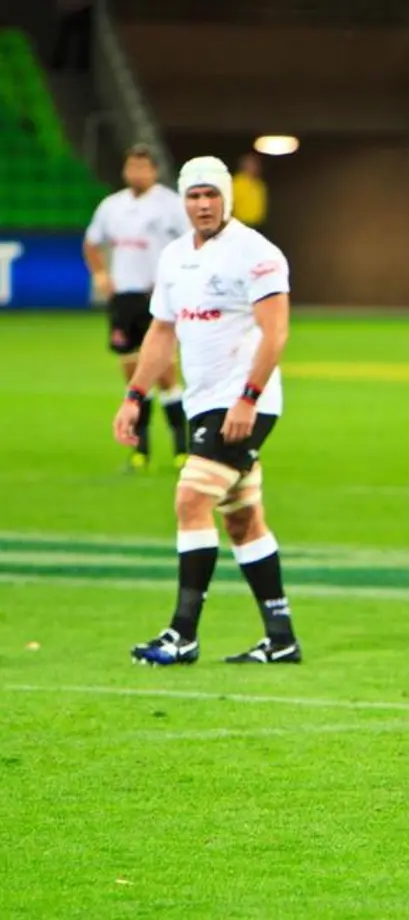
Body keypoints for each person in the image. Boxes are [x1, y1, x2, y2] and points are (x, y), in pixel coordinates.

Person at [112, 156, 302, 666]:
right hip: (203, 402)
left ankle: (183, 634)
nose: (202, 204)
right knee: (242, 519)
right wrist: (135, 397)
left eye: (211, 195)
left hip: (243, 403)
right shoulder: (174, 257)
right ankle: (280, 636)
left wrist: (248, 398)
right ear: (184, 200)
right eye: (194, 196)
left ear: (227, 198)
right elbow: (160, 333)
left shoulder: (256, 254)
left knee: (190, 502)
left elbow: (276, 332)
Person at [84, 144, 190, 472]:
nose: (136, 173)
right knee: (132, 374)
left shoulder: (171, 205)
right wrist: (101, 273)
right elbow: (91, 242)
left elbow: (191, 244)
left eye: (143, 168)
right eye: (132, 167)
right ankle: (140, 451)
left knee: (164, 373)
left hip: (157, 297)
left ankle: (182, 448)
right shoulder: (111, 206)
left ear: (154, 171)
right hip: (124, 299)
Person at [231, 154, 268, 230]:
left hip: (259, 225)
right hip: (241, 224)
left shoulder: (260, 184)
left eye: (257, 165)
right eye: (253, 164)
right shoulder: (235, 183)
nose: (256, 167)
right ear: (244, 166)